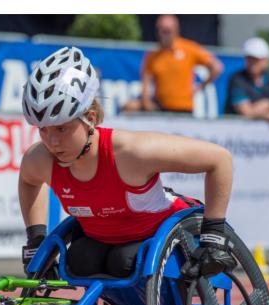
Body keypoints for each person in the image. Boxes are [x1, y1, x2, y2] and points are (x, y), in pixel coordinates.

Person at [18, 46, 236, 280]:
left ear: (89, 118)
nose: (52, 142)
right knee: (80, 260)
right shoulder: (40, 159)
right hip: (104, 244)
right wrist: (36, 241)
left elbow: (220, 160)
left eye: (62, 128)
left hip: (165, 237)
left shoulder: (131, 152)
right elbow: (29, 181)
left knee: (125, 261)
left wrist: (213, 236)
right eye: (43, 130)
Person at [122, 15, 222, 115]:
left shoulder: (189, 49)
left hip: (183, 108)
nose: (165, 35)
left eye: (168, 31)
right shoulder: (153, 55)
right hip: (161, 107)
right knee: (129, 107)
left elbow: (216, 67)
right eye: (162, 31)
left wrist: (200, 87)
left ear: (176, 30)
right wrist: (146, 102)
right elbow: (146, 82)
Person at [226, 37, 269, 129]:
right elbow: (246, 112)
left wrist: (267, 105)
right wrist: (267, 113)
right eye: (250, 58)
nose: (253, 62)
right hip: (236, 134)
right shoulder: (237, 79)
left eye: (257, 59)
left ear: (266, 60)